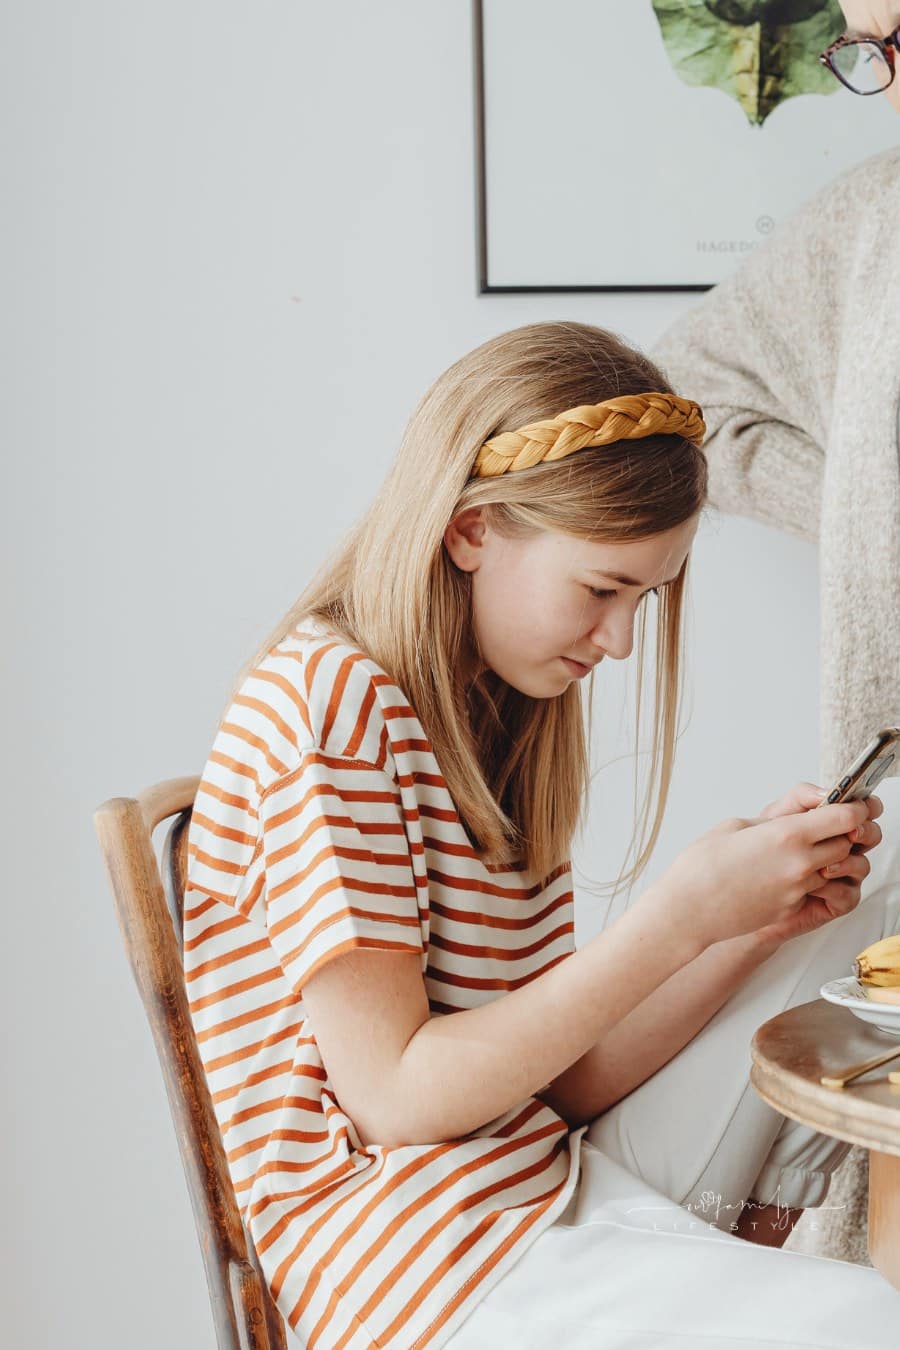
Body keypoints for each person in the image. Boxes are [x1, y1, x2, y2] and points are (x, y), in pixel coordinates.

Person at [184, 319, 899, 1350]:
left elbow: (552, 1084)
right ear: (472, 530)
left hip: (533, 1175)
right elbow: (393, 1099)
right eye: (602, 590)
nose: (617, 640)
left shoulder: (492, 712)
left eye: (643, 600)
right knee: (870, 1322)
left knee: (868, 903)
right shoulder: (325, 704)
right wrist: (677, 914)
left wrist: (747, 925)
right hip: (411, 1257)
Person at [651, 0, 900, 1264]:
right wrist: (863, 515)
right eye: (876, 53)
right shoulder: (875, 224)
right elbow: (681, 392)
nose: (893, 83)